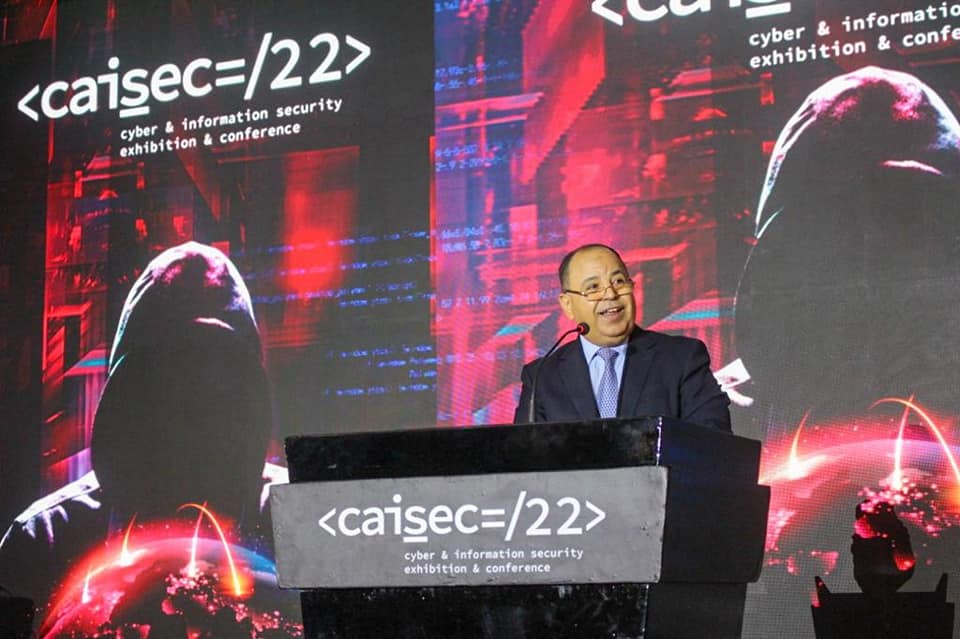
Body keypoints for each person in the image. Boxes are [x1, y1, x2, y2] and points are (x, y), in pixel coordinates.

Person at [0, 241, 274, 613]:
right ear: (126, 397)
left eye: (216, 383)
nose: (189, 412)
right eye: (165, 382)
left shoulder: (307, 526)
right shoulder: (44, 540)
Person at [514, 243, 731, 430]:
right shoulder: (542, 377)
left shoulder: (682, 358)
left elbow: (712, 441)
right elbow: (523, 456)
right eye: (593, 287)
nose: (611, 294)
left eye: (619, 281)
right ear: (568, 305)